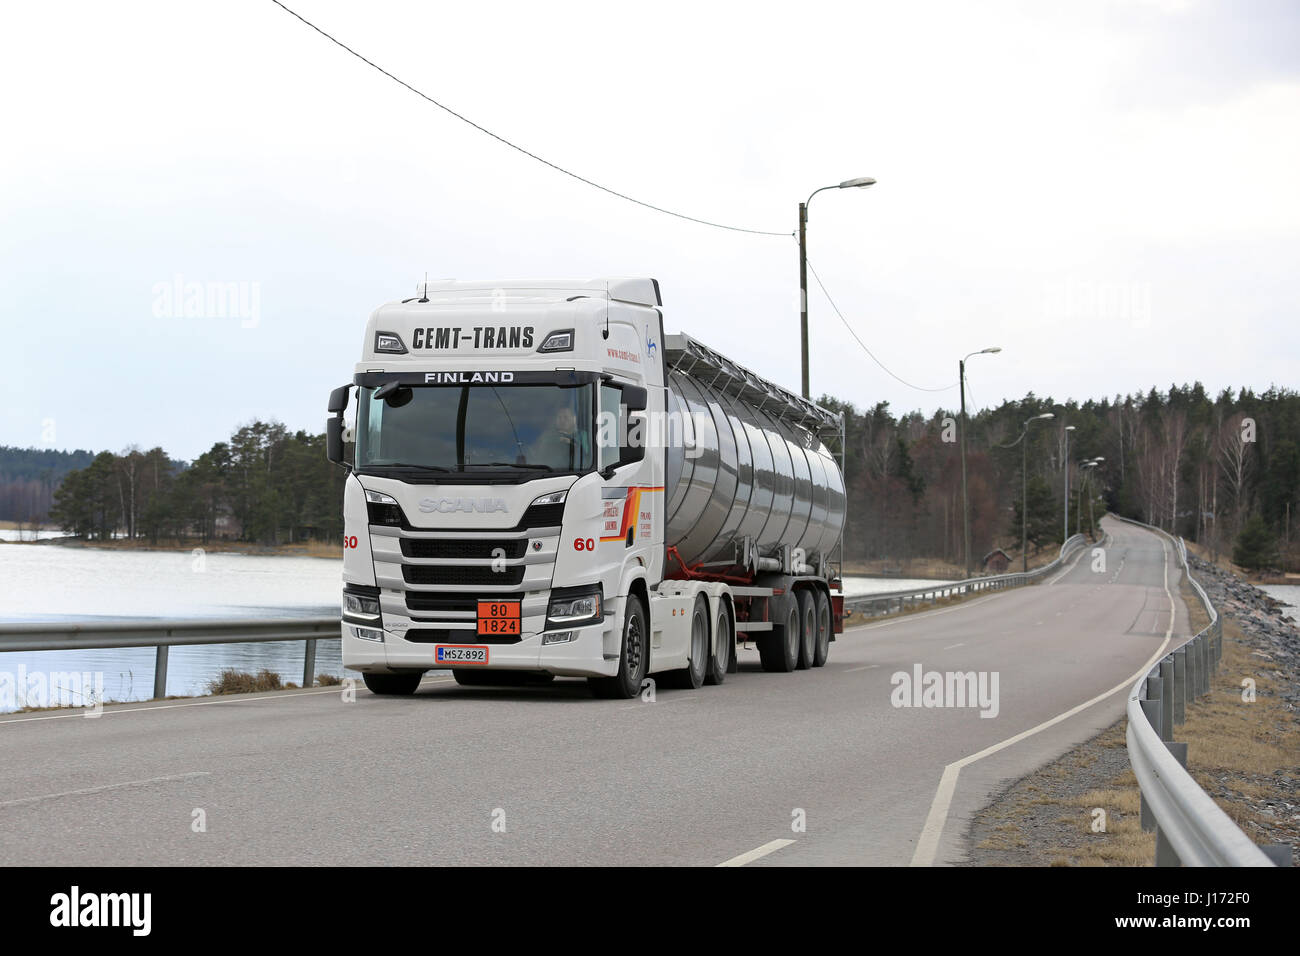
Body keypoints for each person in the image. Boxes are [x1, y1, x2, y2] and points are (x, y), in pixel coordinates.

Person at [527, 405, 588, 470]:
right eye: (559, 417)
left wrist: (571, 442)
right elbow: (535, 453)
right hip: (550, 470)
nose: (562, 420)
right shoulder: (548, 435)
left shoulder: (582, 435)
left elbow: (586, 456)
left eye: (565, 417)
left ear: (574, 419)